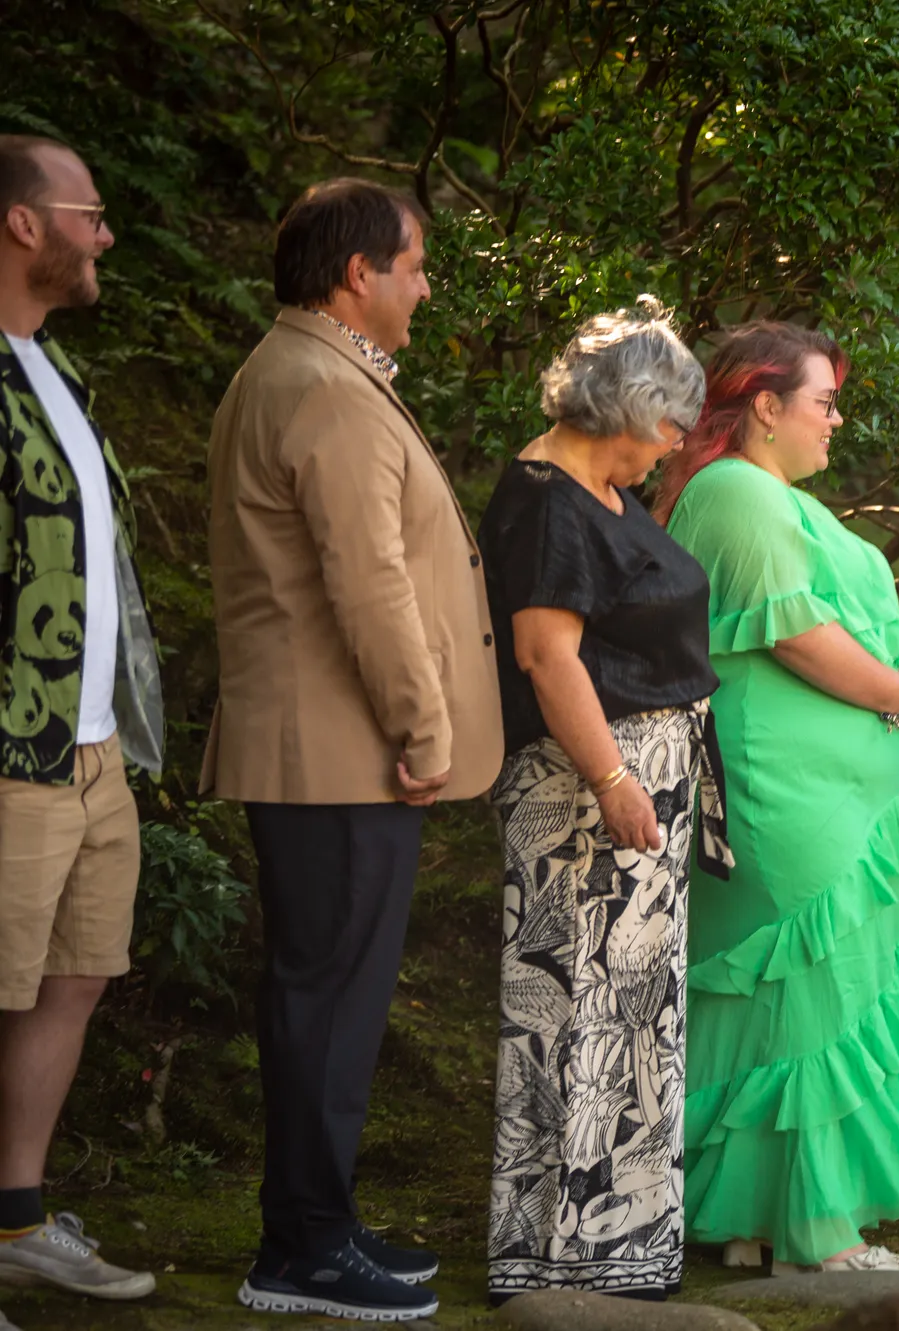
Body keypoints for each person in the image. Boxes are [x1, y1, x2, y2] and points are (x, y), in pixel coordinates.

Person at [205, 178, 503, 1322]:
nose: (424, 287)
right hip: (337, 753)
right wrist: (424, 726)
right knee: (328, 998)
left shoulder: (298, 369)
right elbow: (368, 581)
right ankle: (302, 1250)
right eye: (414, 266)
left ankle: (315, 1219)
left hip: (324, 750)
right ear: (357, 274)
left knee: (327, 994)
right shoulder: (324, 388)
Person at [660, 321, 899, 1274]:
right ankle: (815, 1234)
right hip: (782, 795)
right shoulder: (737, 490)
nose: (836, 419)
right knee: (810, 998)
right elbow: (795, 636)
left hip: (813, 793)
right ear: (765, 405)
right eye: (823, 402)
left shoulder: (762, 492)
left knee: (773, 1004)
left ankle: (748, 1222)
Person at [483, 298, 730, 1300]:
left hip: (636, 786)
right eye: (670, 422)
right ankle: (561, 1254)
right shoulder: (549, 499)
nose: (674, 443)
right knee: (578, 1012)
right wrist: (615, 780)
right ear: (627, 404)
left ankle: (624, 1247)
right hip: (585, 793)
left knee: (632, 1021)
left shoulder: (603, 490)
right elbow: (547, 656)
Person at [0, 134, 163, 1311]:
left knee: (75, 978)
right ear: (22, 223)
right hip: (12, 750)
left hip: (92, 746)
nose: (103, 234)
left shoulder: (53, 370)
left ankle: (14, 1216)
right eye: (88, 213)